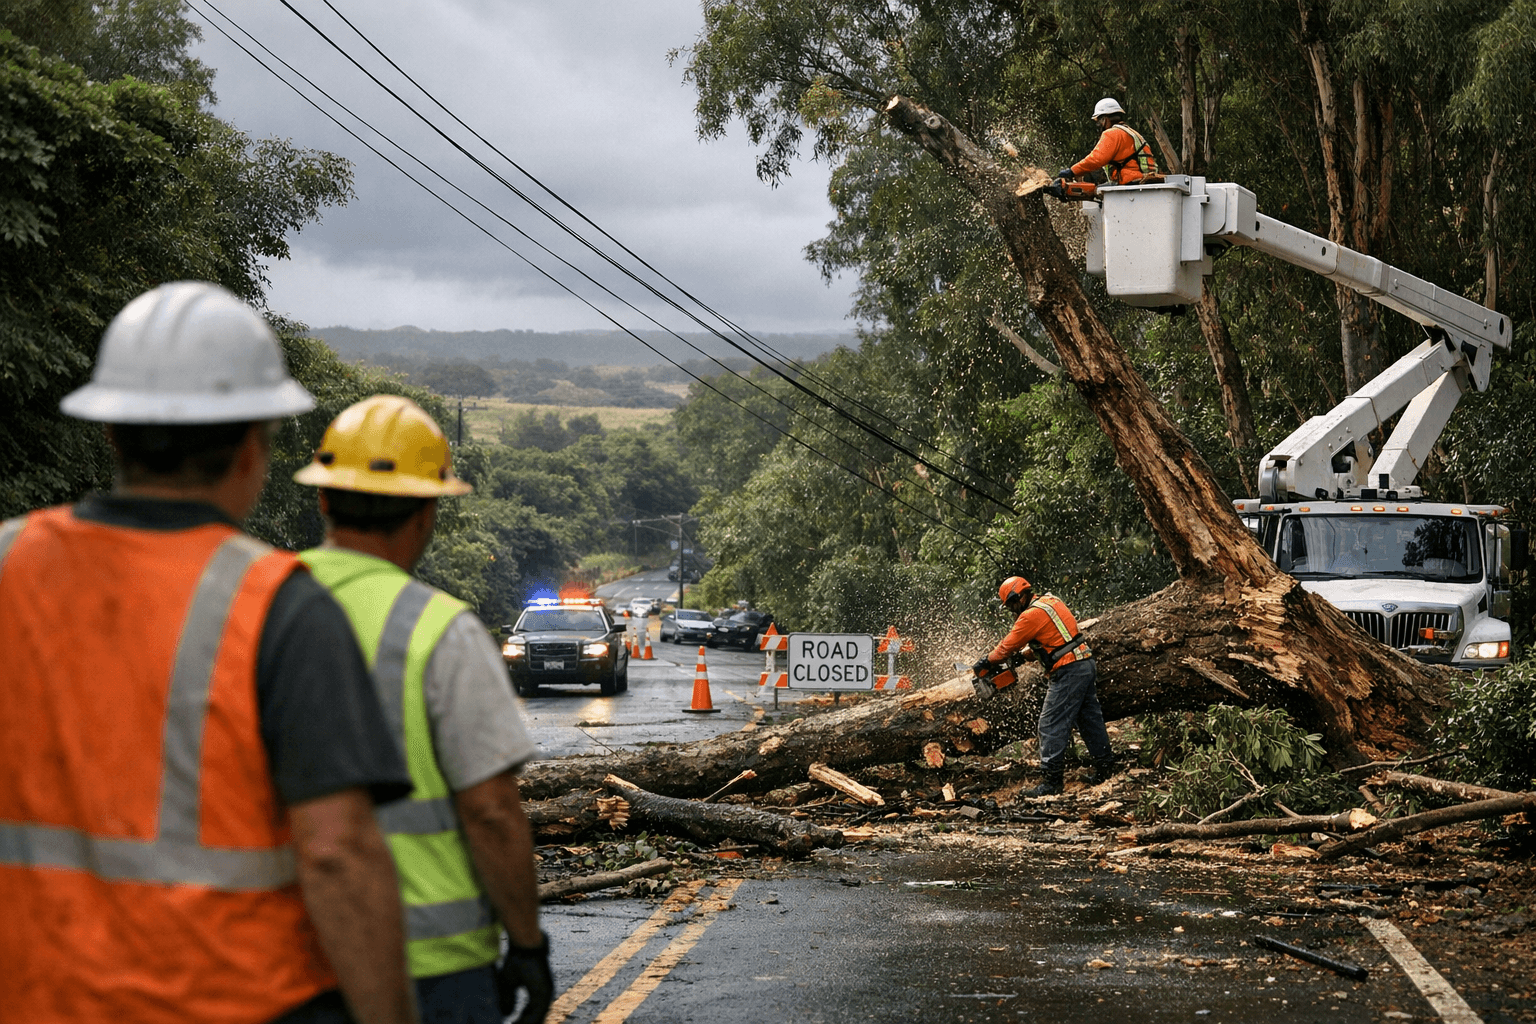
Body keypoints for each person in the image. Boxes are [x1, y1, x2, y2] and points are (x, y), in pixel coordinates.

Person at [0, 282, 419, 1024]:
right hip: (231, 1001)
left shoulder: (9, 564)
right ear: (254, 446)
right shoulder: (281, 606)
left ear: (110, 433)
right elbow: (337, 854)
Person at [293, 395, 553, 1024]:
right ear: (428, 510)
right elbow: (490, 810)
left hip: (287, 956)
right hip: (433, 970)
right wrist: (526, 942)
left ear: (324, 498)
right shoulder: (443, 631)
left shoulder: (253, 605)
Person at [974, 576, 1115, 797]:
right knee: (1089, 719)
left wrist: (985, 661)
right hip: (1085, 663)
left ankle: (1051, 781)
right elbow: (1058, 639)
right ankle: (1106, 767)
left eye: (1011, 604)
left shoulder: (1030, 615)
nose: (1012, 609)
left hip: (1068, 670)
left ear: (1019, 595)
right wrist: (1025, 656)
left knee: (1050, 724)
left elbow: (1005, 647)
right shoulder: (1051, 601)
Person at [1055, 97, 1160, 188]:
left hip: (1131, 182)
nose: (1099, 125)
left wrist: (1072, 171)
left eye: (1099, 122)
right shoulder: (1130, 132)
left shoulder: (1112, 133)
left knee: (1095, 192)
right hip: (1142, 180)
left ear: (1104, 119)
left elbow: (1096, 159)